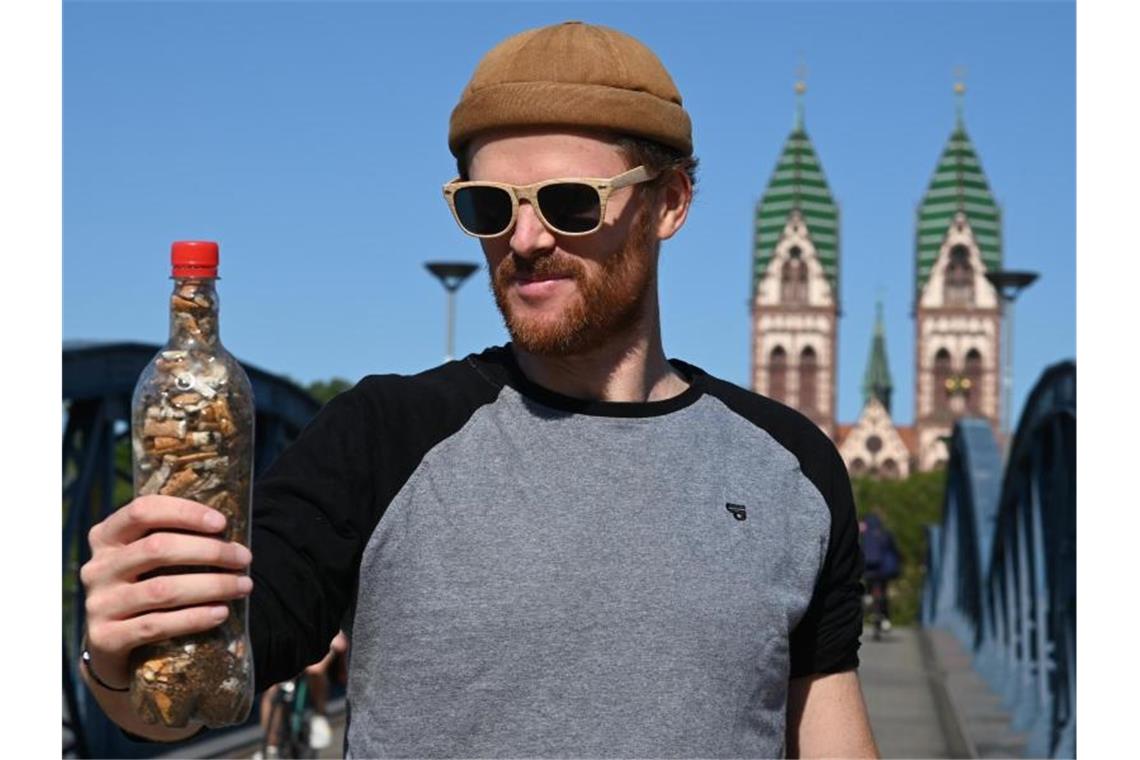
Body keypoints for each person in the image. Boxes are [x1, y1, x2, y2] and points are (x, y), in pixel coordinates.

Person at [78, 20, 878, 758]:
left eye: (570, 203)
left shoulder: (791, 468)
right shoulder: (382, 435)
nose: (525, 240)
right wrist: (118, 653)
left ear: (668, 204)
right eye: (490, 207)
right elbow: (175, 700)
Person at [860, 512, 901, 635]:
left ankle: (868, 597)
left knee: (869, 584)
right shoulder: (886, 535)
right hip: (884, 571)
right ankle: (886, 619)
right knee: (883, 592)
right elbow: (894, 551)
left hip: (869, 570)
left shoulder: (864, 537)